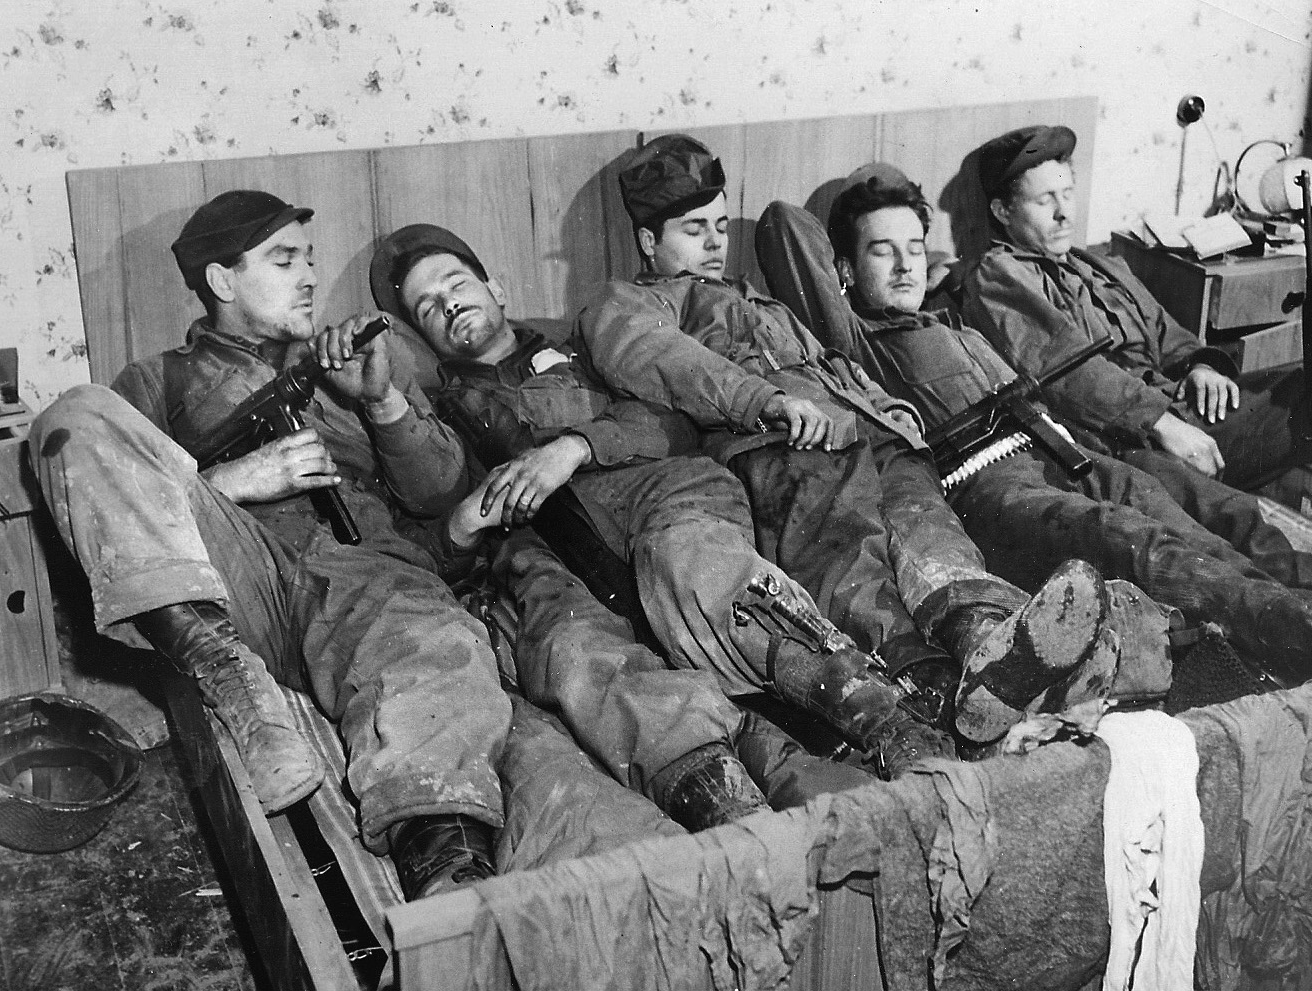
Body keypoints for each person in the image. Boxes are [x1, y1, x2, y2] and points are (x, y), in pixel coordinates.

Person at [29, 191, 744, 905]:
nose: (308, 277)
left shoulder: (354, 360)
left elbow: (439, 496)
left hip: (365, 579)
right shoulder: (157, 381)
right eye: (284, 262)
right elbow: (106, 491)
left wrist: (380, 401)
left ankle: (451, 880)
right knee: (71, 415)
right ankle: (222, 670)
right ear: (222, 281)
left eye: (309, 261)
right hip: (241, 578)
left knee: (433, 645)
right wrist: (230, 483)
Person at [572, 133, 1120, 745]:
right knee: (853, 565)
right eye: (693, 229)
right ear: (649, 242)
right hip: (782, 447)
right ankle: (936, 690)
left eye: (722, 225)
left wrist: (890, 410)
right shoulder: (629, 302)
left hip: (870, 435)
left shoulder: (758, 300)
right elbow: (659, 357)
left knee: (933, 539)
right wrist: (767, 402)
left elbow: (829, 357)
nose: (715, 242)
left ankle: (987, 640)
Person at [752, 171, 1312, 682]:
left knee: (1216, 514)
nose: (904, 267)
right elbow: (785, 225)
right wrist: (844, 270)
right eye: (880, 252)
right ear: (840, 269)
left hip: (1062, 447)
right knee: (1139, 541)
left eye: (914, 248)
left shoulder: (952, 313)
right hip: (988, 484)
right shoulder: (849, 341)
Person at [369, 222, 947, 775]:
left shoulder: (586, 350)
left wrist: (576, 446)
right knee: (606, 672)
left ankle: (888, 722)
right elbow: (433, 501)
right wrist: (410, 440)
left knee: (696, 567)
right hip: (582, 585)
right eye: (427, 307)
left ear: (495, 288)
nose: (447, 305)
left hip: (672, 505)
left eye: (456, 284)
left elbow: (675, 422)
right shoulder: (442, 418)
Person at [958, 124, 1312, 514]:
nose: (1064, 212)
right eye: (1044, 200)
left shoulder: (1096, 263)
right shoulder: (1000, 276)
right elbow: (1066, 373)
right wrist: (1163, 424)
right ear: (1002, 212)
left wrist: (1201, 366)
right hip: (1136, 440)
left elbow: (1167, 332)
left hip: (1180, 411)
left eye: (1067, 194)